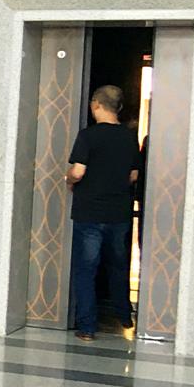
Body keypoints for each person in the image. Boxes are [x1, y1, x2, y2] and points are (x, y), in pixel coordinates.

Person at [67, 85, 140, 341]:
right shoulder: (129, 137)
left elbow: (78, 171)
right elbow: (133, 175)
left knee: (86, 269)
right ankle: (124, 316)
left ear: (96, 104)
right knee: (118, 265)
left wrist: (68, 179)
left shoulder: (88, 136)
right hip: (119, 212)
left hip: (89, 212)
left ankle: (87, 327)